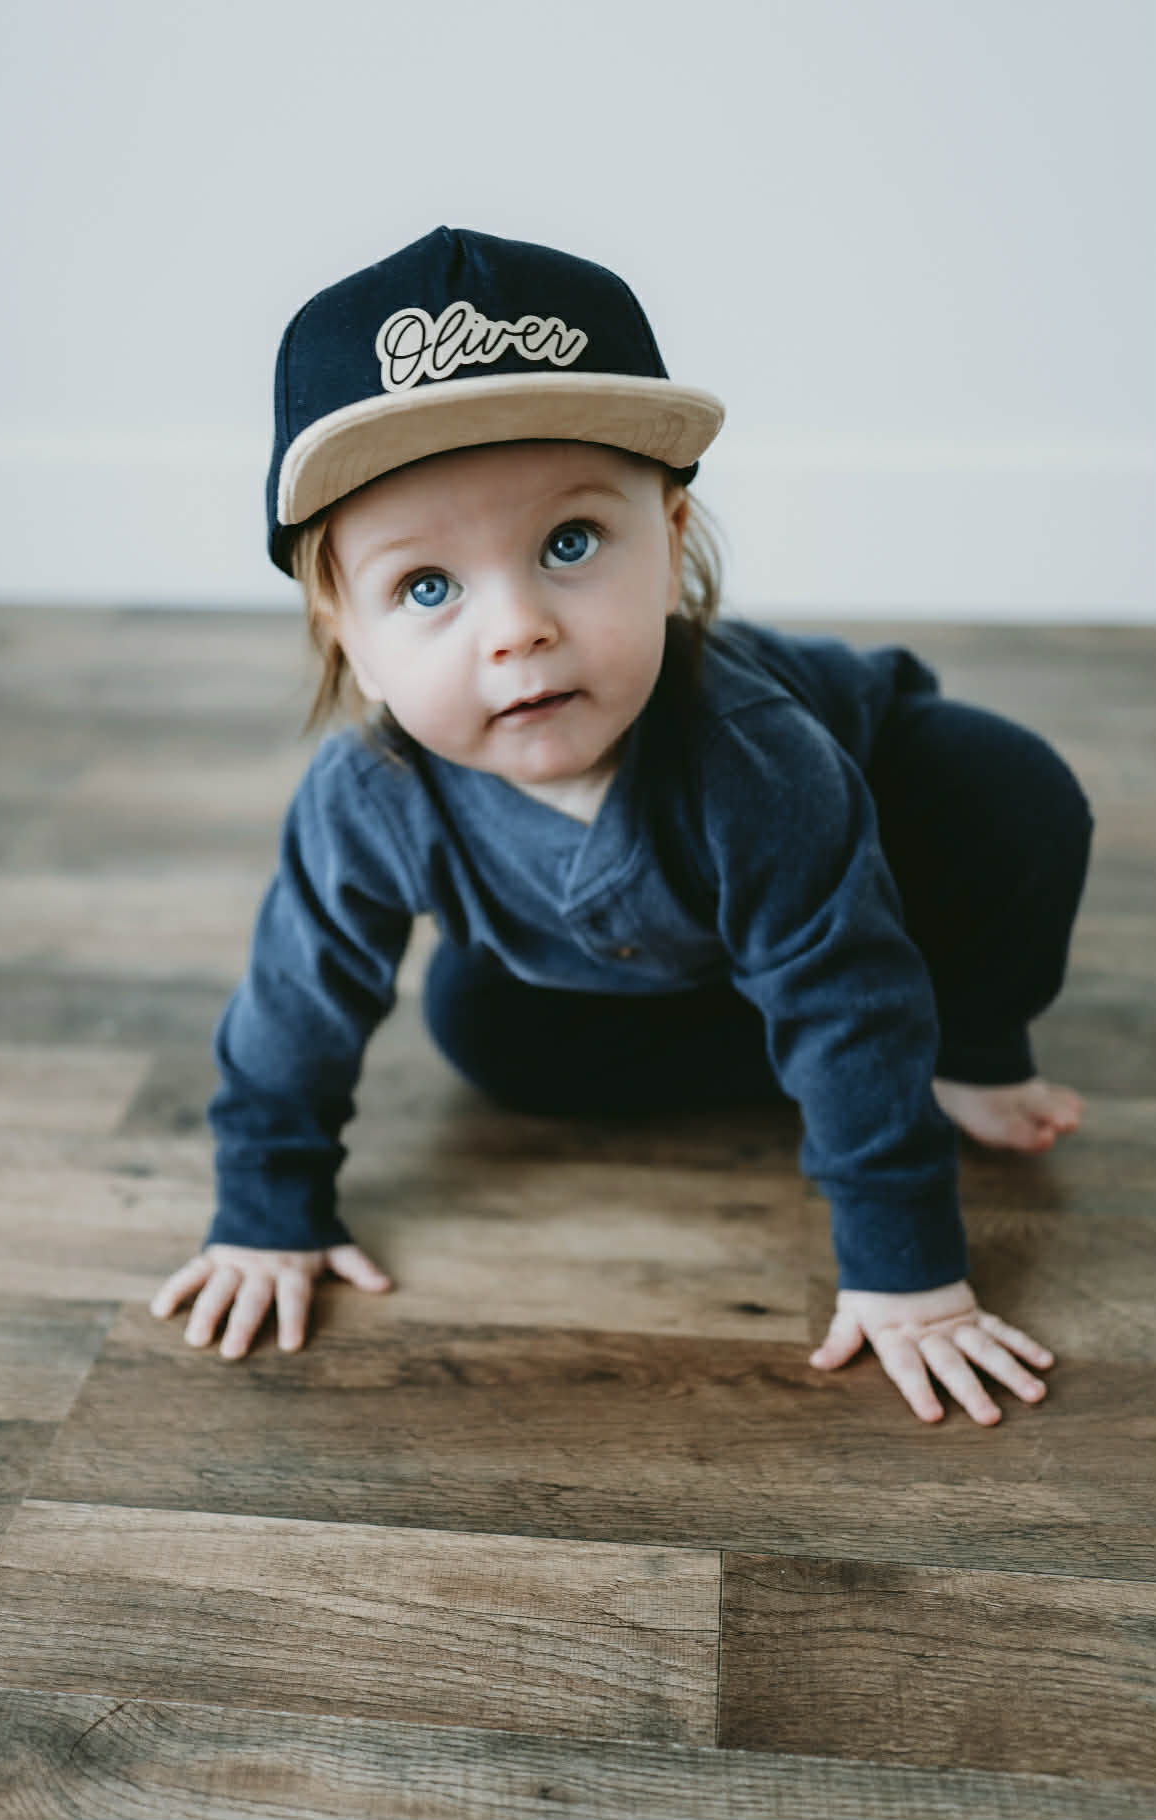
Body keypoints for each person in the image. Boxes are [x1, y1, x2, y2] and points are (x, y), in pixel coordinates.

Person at [151, 226, 1092, 1425]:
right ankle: (787, 1032)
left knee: (1005, 795)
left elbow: (849, 989)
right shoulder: (366, 799)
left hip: (872, 853)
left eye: (570, 543)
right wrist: (267, 1205)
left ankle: (955, 1041)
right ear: (349, 633)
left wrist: (908, 1270)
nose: (518, 629)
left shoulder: (754, 760)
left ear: (671, 547)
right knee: (485, 1032)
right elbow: (295, 1003)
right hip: (643, 945)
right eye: (426, 586)